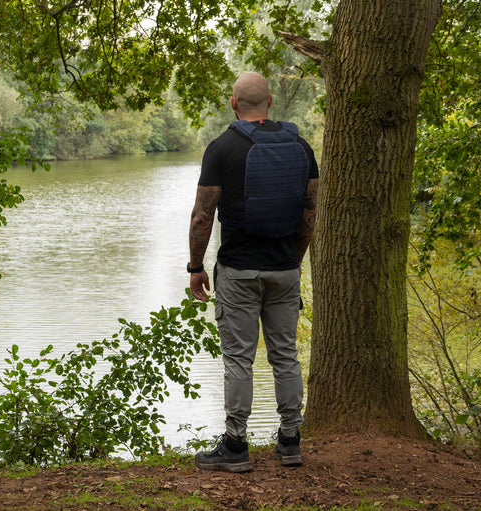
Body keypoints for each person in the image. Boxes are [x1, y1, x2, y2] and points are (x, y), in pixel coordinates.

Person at [187, 71, 318, 473]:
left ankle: (236, 446)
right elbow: (309, 214)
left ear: (233, 103)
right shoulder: (300, 146)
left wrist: (195, 267)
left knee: (238, 361)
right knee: (285, 357)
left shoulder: (222, 147)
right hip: (284, 269)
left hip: (239, 271)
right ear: (271, 101)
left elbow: (202, 217)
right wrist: (295, 257)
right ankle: (291, 440)